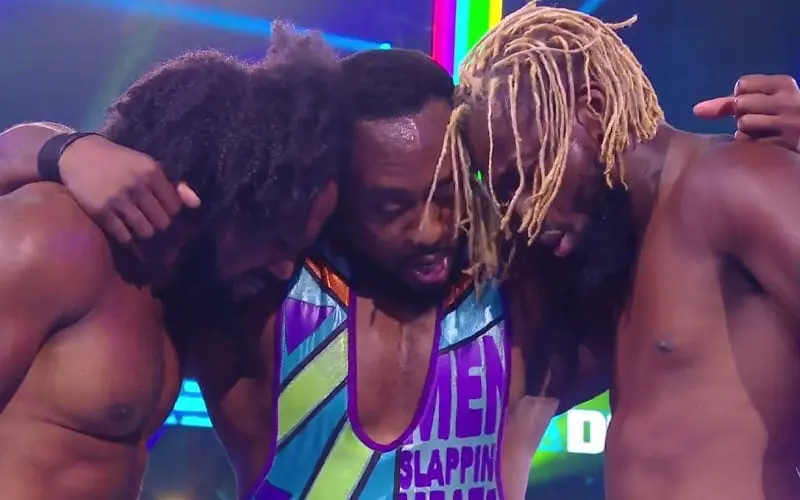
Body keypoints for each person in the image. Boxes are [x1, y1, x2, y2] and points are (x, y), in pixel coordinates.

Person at [1, 48, 799, 500]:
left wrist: (787, 143)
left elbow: (661, 206)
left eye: (450, 192)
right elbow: (160, 198)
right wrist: (64, 149)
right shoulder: (259, 293)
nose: (431, 229)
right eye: (389, 206)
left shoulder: (528, 301)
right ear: (331, 200)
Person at [445, 3, 800, 499]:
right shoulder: (616, 256)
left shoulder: (734, 184)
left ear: (593, 108)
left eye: (529, 174)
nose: (522, 212)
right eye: (506, 193)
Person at [0, 24, 353, 499]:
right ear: (223, 196)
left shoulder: (180, 296)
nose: (284, 268)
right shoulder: (55, 237)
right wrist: (66, 149)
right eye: (275, 240)